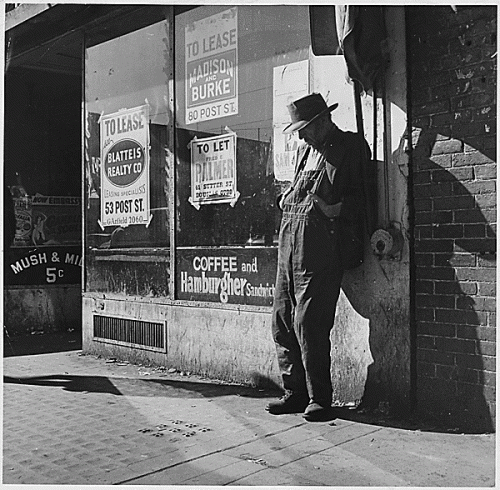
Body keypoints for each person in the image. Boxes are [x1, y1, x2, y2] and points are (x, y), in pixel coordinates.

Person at [267, 93, 370, 421]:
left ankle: (319, 399)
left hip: (323, 246)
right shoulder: (303, 152)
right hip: (289, 243)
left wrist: (334, 208)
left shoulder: (350, 147)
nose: (300, 135)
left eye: (305, 128)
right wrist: (288, 197)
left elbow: (365, 198)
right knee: (282, 319)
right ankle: (294, 392)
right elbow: (300, 190)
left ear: (324, 120)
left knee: (308, 322)